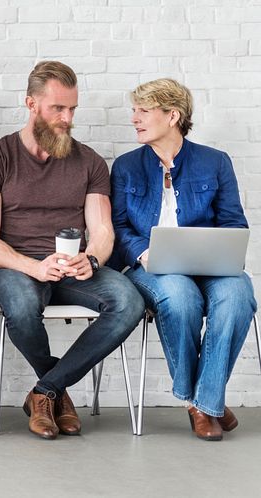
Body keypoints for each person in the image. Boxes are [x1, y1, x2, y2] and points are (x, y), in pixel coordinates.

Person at [0, 61, 144, 440]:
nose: (67, 118)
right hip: (18, 269)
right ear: (31, 104)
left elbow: (102, 231)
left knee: (129, 301)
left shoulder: (90, 162)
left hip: (73, 269)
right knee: (21, 305)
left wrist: (92, 258)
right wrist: (33, 268)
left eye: (72, 109)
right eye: (57, 109)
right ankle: (57, 392)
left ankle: (44, 391)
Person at [110, 78, 256, 441]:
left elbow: (234, 222)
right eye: (135, 110)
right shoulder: (126, 166)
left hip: (208, 265)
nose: (135, 118)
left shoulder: (215, 162)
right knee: (179, 295)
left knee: (239, 294)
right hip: (151, 267)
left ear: (172, 115)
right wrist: (143, 253)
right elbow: (118, 226)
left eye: (144, 111)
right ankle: (207, 405)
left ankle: (203, 401)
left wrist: (219, 250)